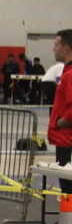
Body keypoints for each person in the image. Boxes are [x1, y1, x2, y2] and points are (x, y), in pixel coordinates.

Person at [48, 29, 72, 194]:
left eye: (56, 45)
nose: (53, 49)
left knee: (68, 189)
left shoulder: (70, 75)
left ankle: (68, 212)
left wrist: (59, 123)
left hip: (67, 140)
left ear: (66, 48)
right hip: (64, 139)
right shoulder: (66, 72)